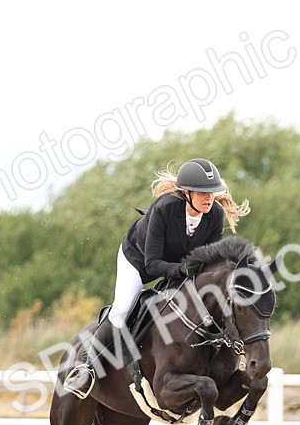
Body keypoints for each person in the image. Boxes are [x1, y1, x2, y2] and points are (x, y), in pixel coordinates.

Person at [63, 158, 250, 397]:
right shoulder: (164, 209)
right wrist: (181, 270)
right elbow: (152, 264)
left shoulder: (214, 214)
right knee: (122, 309)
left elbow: (209, 261)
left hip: (179, 262)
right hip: (139, 260)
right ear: (186, 193)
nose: (209, 198)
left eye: (212, 193)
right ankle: (87, 367)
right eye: (202, 193)